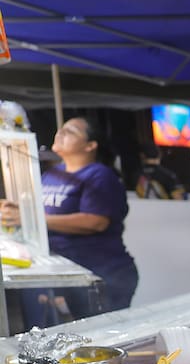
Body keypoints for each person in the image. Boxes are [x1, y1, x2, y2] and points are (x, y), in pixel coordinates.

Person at [1, 116, 139, 327]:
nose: (61, 133)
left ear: (90, 145)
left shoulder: (100, 176)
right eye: (61, 128)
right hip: (66, 273)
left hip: (101, 275)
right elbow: (44, 213)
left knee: (101, 339)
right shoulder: (53, 174)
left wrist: (34, 218)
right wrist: (18, 211)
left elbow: (95, 222)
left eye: (72, 131)